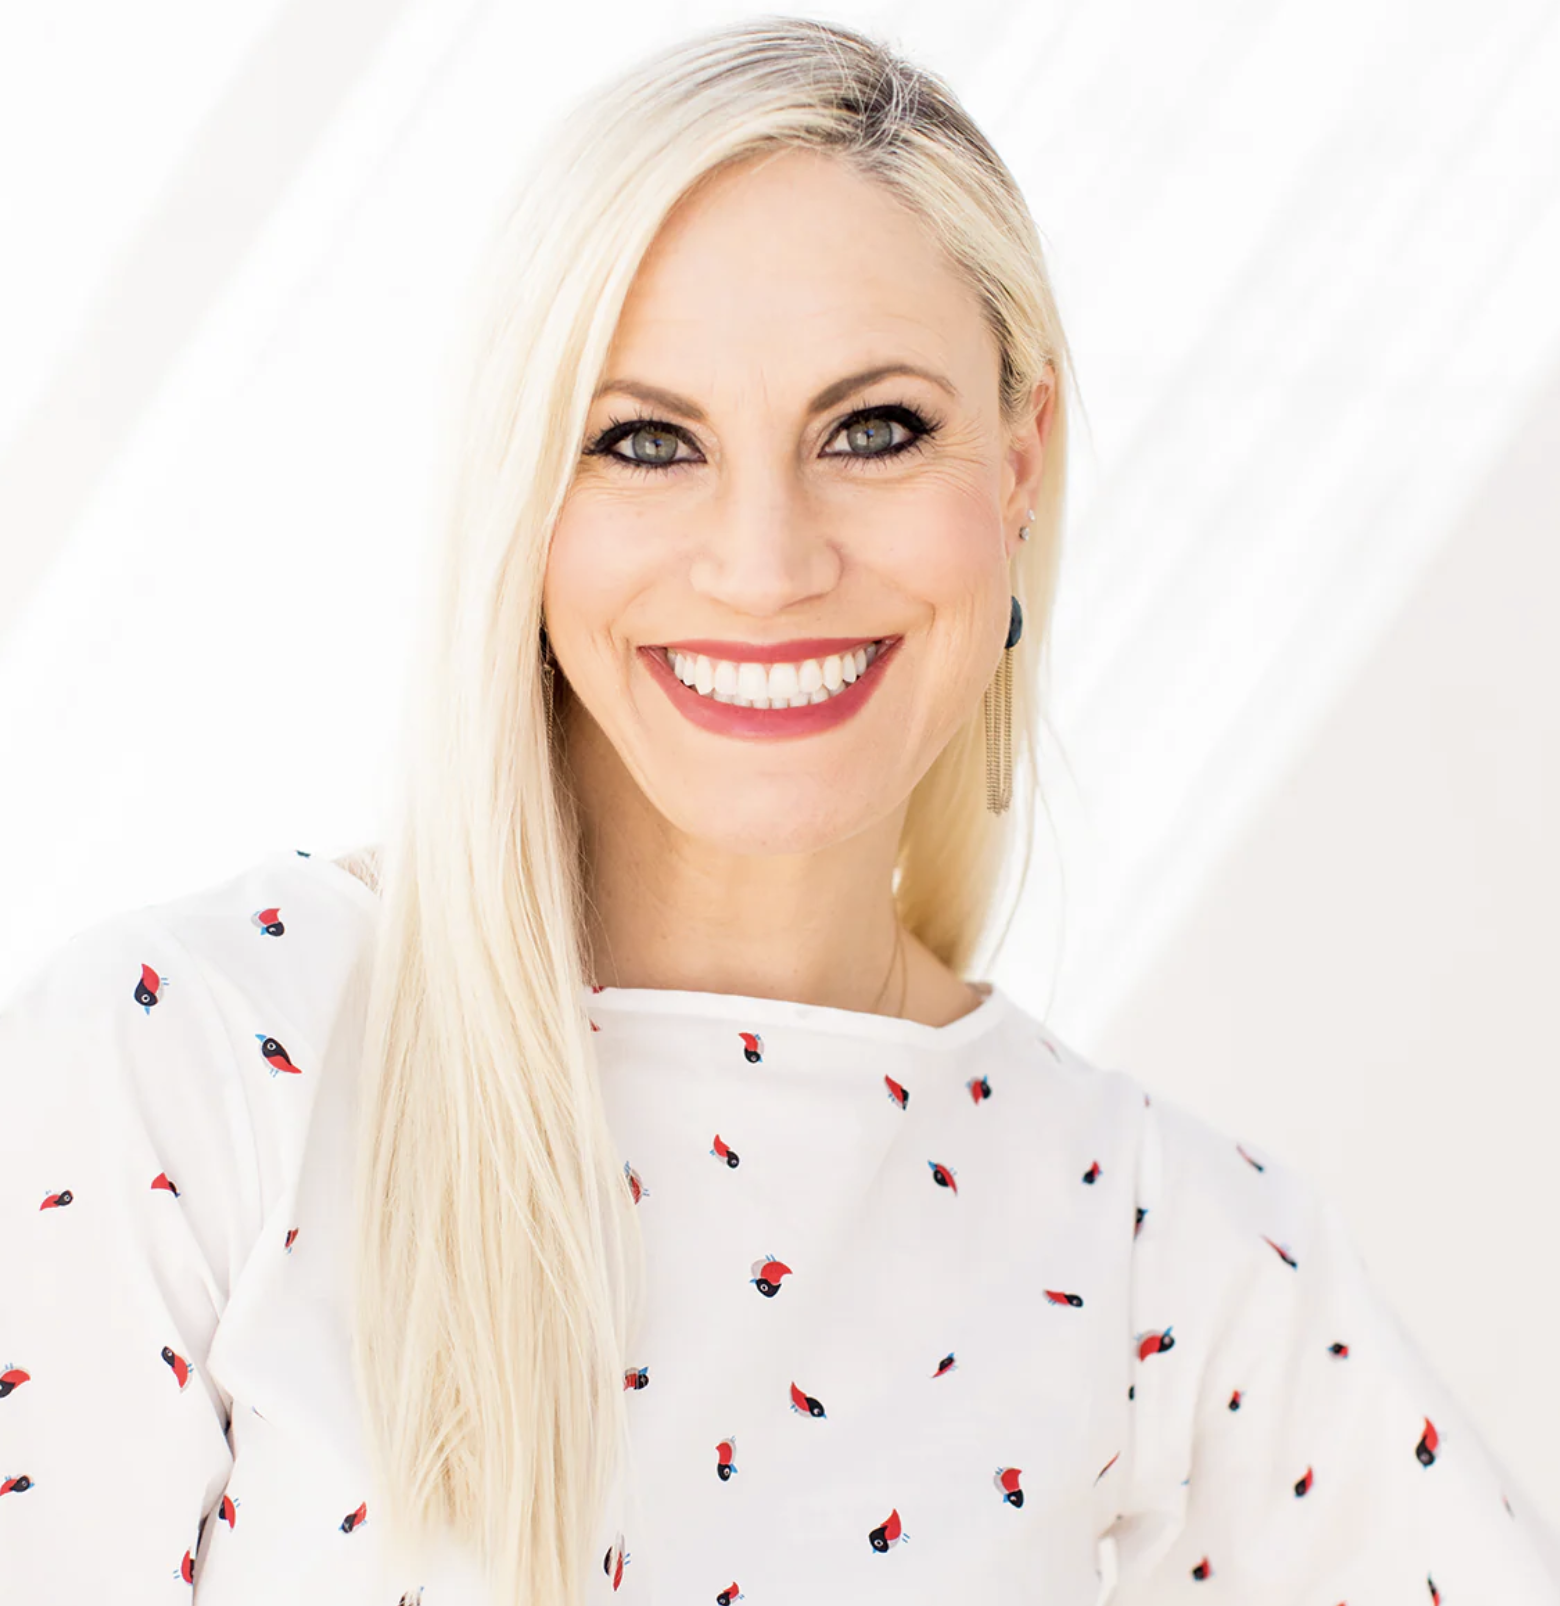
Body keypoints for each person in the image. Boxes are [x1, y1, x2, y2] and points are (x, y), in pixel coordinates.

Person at [2, 15, 1556, 1606]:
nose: (765, 563)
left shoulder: (1172, 1247)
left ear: (1016, 467)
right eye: (644, 442)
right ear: (520, 502)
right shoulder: (183, 1066)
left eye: (873, 430)